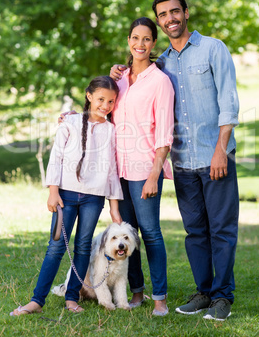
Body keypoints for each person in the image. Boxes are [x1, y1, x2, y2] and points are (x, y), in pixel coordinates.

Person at [111, 0, 240, 321]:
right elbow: (138, 80)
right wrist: (117, 72)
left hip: (215, 156)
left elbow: (229, 101)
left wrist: (221, 150)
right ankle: (203, 292)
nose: (170, 19)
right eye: (163, 15)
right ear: (159, 21)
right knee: (195, 231)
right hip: (182, 162)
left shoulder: (213, 48)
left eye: (174, 12)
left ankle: (223, 297)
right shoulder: (163, 61)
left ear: (185, 12)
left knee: (222, 230)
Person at [59, 17, 175, 316]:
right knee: (128, 233)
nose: (140, 44)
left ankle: (159, 298)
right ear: (128, 41)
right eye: (135, 38)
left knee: (150, 233)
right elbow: (104, 111)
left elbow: (164, 133)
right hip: (116, 171)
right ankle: (136, 292)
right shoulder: (120, 79)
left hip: (144, 170)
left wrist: (154, 173)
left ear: (153, 43)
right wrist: (77, 115)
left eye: (147, 39)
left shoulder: (160, 81)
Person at [10, 76, 123, 316]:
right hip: (66, 195)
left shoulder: (111, 130)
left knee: (83, 247)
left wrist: (114, 207)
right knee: (56, 247)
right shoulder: (70, 122)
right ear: (89, 96)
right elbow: (56, 157)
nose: (105, 105)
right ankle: (36, 300)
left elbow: (112, 169)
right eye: (101, 99)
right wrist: (53, 191)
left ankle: (72, 297)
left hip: (94, 198)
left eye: (111, 101)